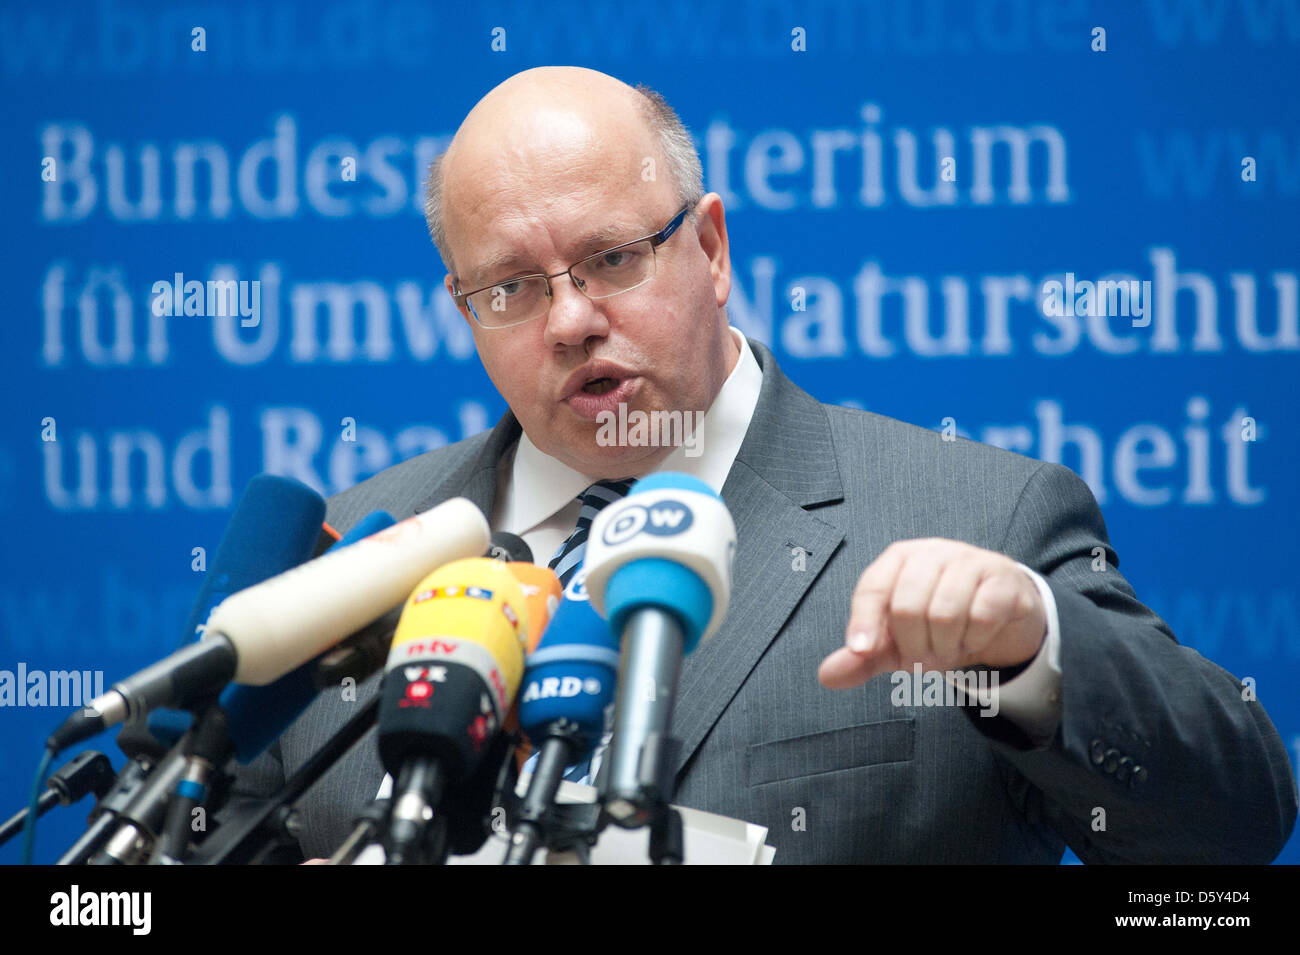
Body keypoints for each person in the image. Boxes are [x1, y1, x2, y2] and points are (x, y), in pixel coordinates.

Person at [229, 66, 1297, 864]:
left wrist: (1033, 656)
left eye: (611, 258)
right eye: (508, 287)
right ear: (463, 310)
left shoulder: (975, 515)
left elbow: (1234, 822)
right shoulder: (351, 558)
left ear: (711, 248)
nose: (568, 321)